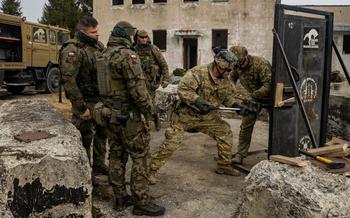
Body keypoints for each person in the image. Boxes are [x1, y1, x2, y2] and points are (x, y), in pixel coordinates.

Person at [93, 21, 165, 216]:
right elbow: (138, 90)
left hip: (110, 114)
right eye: (132, 34)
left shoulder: (102, 55)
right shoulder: (128, 55)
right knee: (140, 155)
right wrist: (150, 112)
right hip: (128, 117)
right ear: (127, 35)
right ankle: (141, 200)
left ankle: (120, 197)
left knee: (116, 154)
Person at [148, 49, 249, 184]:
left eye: (230, 70)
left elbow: (227, 97)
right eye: (226, 70)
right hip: (185, 116)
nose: (228, 73)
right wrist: (197, 101)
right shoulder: (198, 73)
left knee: (225, 131)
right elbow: (183, 90)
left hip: (207, 117)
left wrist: (237, 106)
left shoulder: (225, 79)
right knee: (171, 142)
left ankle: (224, 165)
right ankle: (150, 171)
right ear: (217, 64)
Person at [59, 16, 108, 177]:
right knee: (84, 139)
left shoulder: (98, 46)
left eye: (97, 31)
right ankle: (85, 174)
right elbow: (68, 80)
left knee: (102, 134)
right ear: (83, 32)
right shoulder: (73, 49)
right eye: (94, 32)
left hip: (100, 101)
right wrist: (81, 108)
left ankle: (99, 165)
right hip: (85, 103)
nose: (97, 34)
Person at [229, 45, 272, 164]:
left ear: (246, 57)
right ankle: (240, 154)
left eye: (240, 62)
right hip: (253, 99)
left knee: (276, 127)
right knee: (245, 126)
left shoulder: (261, 64)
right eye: (236, 63)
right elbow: (231, 77)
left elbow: (268, 86)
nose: (238, 65)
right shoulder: (236, 64)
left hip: (271, 98)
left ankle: (276, 153)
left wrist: (252, 95)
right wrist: (232, 88)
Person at [134, 29, 170, 99]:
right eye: (142, 37)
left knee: (150, 104)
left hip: (151, 83)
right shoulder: (134, 50)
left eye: (145, 37)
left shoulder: (153, 48)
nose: (144, 39)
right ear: (138, 38)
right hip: (138, 83)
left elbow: (163, 65)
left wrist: (166, 79)